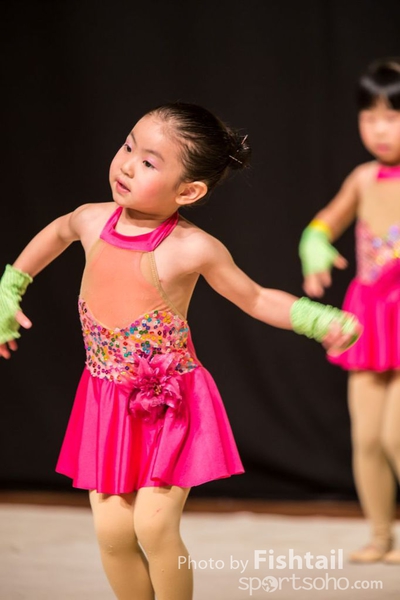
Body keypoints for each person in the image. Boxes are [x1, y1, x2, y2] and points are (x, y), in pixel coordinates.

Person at [0, 102, 359, 600]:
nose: (127, 165)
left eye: (149, 162)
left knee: (153, 526)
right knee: (112, 534)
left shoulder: (192, 248)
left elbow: (255, 297)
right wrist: (11, 284)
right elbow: (56, 232)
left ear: (188, 191)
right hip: (107, 401)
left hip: (169, 404)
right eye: (128, 146)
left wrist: (316, 319)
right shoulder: (90, 220)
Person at [298, 58, 400, 565]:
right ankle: (380, 535)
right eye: (369, 116)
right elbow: (326, 222)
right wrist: (314, 244)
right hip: (371, 315)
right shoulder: (363, 178)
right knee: (367, 437)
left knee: (396, 434)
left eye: (393, 116)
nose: (379, 129)